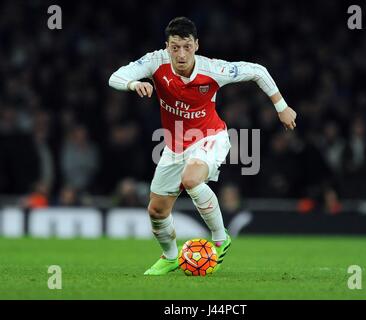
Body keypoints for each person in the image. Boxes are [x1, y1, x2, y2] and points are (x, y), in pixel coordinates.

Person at [109, 17, 297, 275]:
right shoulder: (156, 62)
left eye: (187, 46)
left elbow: (257, 71)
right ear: (167, 47)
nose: (181, 54)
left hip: (210, 137)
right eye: (175, 47)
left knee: (191, 179)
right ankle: (171, 256)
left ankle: (221, 238)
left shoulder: (213, 69)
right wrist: (134, 83)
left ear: (196, 45)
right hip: (175, 146)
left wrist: (281, 106)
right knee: (156, 211)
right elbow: (116, 77)